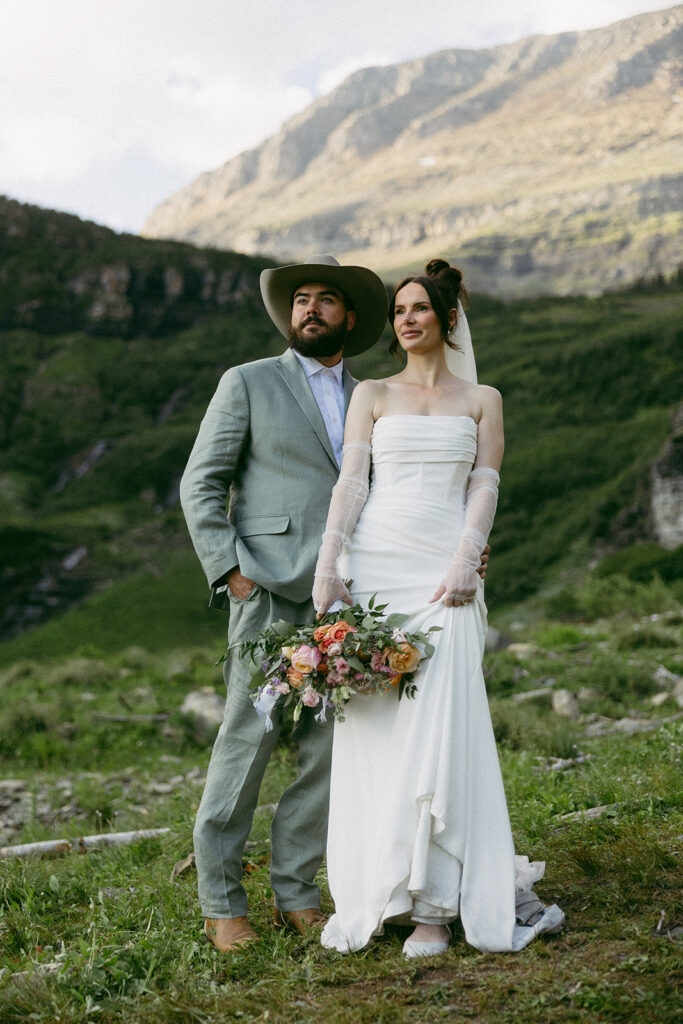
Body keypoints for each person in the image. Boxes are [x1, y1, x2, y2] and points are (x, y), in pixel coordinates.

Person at [313, 258, 564, 957]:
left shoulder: (483, 398)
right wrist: (329, 564)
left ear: (447, 318)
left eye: (419, 308)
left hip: (443, 572)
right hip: (378, 567)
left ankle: (434, 907)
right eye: (399, 311)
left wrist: (466, 556)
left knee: (443, 723)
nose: (407, 320)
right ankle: (387, 889)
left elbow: (484, 483)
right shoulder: (372, 394)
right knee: (378, 729)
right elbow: (352, 483)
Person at [180, 254, 388, 952]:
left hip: (342, 602)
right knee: (249, 740)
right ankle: (220, 902)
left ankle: (297, 893)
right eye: (300, 299)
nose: (310, 309)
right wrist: (232, 572)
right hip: (267, 592)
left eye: (325, 300)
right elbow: (200, 485)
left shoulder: (369, 397)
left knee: (328, 751)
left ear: (347, 317)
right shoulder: (246, 383)